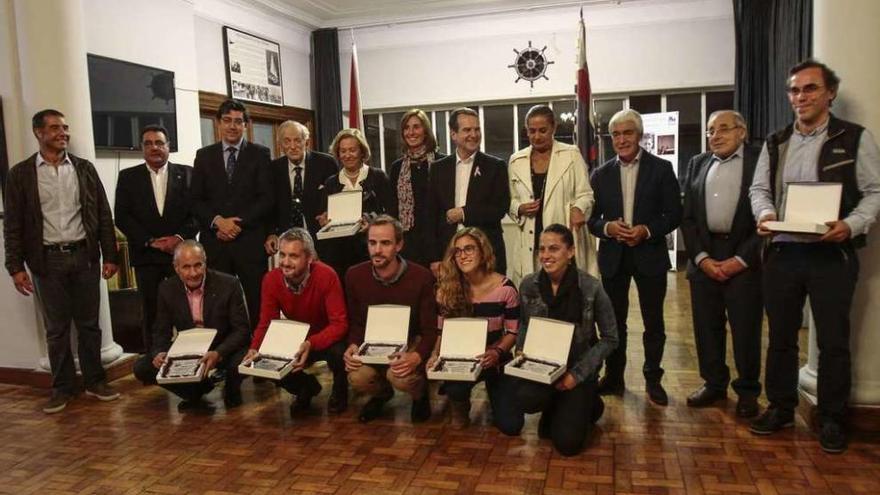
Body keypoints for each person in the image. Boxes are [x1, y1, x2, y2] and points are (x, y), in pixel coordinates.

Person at [748, 60, 880, 453]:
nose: (800, 97)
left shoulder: (854, 137)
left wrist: (852, 225)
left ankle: (833, 418)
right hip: (784, 252)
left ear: (830, 93)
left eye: (809, 89)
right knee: (782, 338)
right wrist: (766, 216)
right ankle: (781, 407)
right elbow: (759, 190)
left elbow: (874, 192)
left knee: (834, 340)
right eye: (794, 90)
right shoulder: (776, 141)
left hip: (831, 254)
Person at [3, 109, 120, 414]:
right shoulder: (20, 175)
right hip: (46, 261)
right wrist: (15, 267)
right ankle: (62, 388)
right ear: (38, 133)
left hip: (84, 256)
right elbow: (13, 224)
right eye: (55, 128)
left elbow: (103, 216)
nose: (63, 133)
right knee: (56, 329)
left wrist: (111, 255)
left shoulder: (84, 169)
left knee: (89, 326)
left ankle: (96, 381)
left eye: (65, 127)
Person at [587, 109, 682, 405]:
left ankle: (653, 379)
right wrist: (607, 227)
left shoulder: (662, 169)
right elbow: (592, 220)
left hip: (649, 256)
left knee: (654, 323)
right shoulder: (600, 174)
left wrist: (646, 230)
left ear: (639, 136)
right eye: (616, 134)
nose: (621, 139)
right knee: (614, 323)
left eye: (627, 133)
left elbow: (674, 214)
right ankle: (614, 378)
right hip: (614, 258)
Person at [680, 110, 762, 418]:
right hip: (706, 254)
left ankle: (748, 391)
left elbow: (767, 213)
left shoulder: (760, 160)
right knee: (706, 327)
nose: (715, 135)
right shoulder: (698, 163)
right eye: (710, 130)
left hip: (744, 253)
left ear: (742, 131)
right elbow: (687, 217)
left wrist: (741, 259)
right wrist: (701, 258)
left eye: (723, 129)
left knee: (745, 328)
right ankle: (714, 384)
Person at [512, 224, 618, 456]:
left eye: (554, 248)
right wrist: (521, 350)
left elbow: (610, 338)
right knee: (525, 399)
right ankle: (557, 404)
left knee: (567, 445)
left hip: (576, 369)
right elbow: (524, 325)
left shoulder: (591, 287)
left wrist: (577, 375)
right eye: (542, 249)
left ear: (570, 252)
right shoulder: (529, 285)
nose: (546, 255)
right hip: (543, 365)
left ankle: (590, 403)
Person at [132, 240, 250, 409]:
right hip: (190, 347)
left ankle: (231, 389)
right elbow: (161, 330)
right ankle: (195, 390)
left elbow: (242, 330)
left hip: (223, 346)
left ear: (205, 263)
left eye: (198, 265)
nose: (193, 273)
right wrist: (160, 352)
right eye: (186, 267)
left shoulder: (229, 284)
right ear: (176, 268)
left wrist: (218, 353)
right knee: (142, 367)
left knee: (239, 361)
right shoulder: (167, 288)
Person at [343, 215, 437, 423]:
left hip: (411, 339)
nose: (377, 250)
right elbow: (357, 322)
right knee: (357, 375)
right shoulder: (354, 276)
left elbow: (430, 331)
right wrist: (352, 345)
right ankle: (381, 395)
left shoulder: (421, 277)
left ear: (399, 245)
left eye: (385, 243)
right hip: (374, 343)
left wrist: (416, 357)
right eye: (372, 243)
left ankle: (420, 396)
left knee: (400, 376)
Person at [245, 228, 349, 415]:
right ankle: (306, 388)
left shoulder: (327, 275)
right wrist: (255, 348)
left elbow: (339, 324)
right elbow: (266, 323)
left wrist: (311, 342)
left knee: (339, 352)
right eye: (282, 255)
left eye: (293, 256)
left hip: (325, 336)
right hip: (297, 338)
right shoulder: (271, 279)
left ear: (309, 258)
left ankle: (340, 391)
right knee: (266, 361)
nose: (285, 262)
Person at [191, 98, 273, 332]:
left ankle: (257, 350)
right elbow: (195, 200)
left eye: (238, 121)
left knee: (257, 303)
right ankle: (225, 353)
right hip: (216, 243)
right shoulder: (204, 156)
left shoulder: (260, 154)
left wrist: (238, 223)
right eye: (227, 120)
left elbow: (266, 198)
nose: (232, 126)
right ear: (218, 123)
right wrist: (218, 222)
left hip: (249, 241)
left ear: (246, 125)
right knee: (219, 305)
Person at [429, 227, 521, 433]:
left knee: (511, 426)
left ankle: (494, 392)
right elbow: (441, 330)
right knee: (457, 414)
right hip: (462, 360)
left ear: (483, 251)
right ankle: (459, 400)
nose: (463, 255)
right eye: (458, 251)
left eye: (469, 249)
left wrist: (497, 353)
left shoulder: (505, 288)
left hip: (496, 358)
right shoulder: (446, 289)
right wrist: (435, 354)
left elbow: (513, 332)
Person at [115, 124, 198, 352]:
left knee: (187, 308)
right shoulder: (128, 177)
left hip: (181, 257)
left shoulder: (188, 174)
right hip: (146, 255)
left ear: (168, 146)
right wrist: (151, 241)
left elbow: (198, 212)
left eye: (159, 143)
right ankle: (154, 359)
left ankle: (190, 356)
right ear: (142, 148)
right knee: (150, 310)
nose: (155, 147)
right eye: (149, 143)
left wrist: (179, 238)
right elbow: (122, 216)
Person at [508, 104, 597, 284]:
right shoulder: (516, 160)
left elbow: (586, 194)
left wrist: (579, 208)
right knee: (534, 295)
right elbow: (510, 200)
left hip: (562, 237)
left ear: (554, 128)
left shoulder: (571, 155)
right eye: (532, 131)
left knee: (565, 294)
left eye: (543, 130)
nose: (537, 136)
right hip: (531, 242)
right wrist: (519, 208)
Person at [428, 107, 510, 275]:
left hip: (486, 253)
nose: (474, 134)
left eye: (477, 129)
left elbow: (500, 208)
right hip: (449, 255)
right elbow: (430, 215)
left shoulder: (496, 166)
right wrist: (435, 258)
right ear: (453, 134)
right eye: (467, 130)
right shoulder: (438, 168)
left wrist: (464, 213)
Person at [317, 128, 392, 283]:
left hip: (371, 251)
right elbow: (325, 213)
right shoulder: (331, 182)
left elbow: (391, 213)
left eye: (352, 150)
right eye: (343, 151)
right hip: (339, 254)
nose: (347, 155)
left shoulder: (378, 176)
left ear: (362, 151)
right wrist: (324, 220)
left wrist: (372, 223)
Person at [264, 120, 338, 254]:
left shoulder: (326, 163)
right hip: (286, 239)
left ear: (307, 142)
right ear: (280, 145)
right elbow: (269, 206)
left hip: (321, 237)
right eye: (287, 141)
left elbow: (337, 198)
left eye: (298, 140)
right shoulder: (273, 169)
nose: (293, 146)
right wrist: (271, 233)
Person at [388, 109, 445, 268]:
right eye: (406, 128)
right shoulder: (397, 167)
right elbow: (392, 209)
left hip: (438, 242)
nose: (411, 132)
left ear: (425, 131)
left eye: (416, 127)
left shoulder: (442, 163)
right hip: (408, 245)